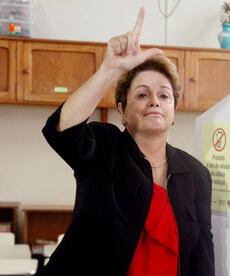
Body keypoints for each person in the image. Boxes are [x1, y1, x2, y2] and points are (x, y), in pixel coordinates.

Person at [37, 7, 214, 276]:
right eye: (142, 95)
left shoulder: (196, 174)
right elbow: (60, 131)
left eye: (164, 96)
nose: (155, 100)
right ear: (122, 109)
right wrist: (109, 69)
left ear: (173, 110)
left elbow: (202, 255)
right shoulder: (104, 148)